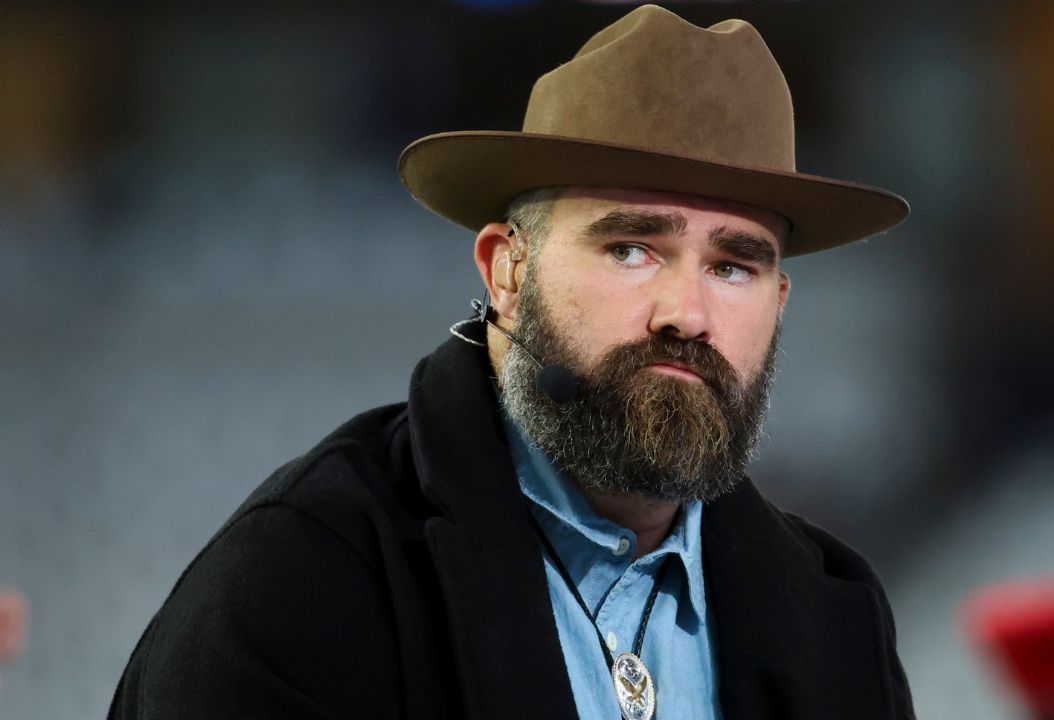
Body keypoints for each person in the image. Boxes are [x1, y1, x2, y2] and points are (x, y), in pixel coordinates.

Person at [109, 5, 915, 719]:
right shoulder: (304, 585)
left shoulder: (837, 618)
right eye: (632, 248)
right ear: (506, 271)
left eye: (733, 266)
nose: (688, 314)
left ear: (778, 304)